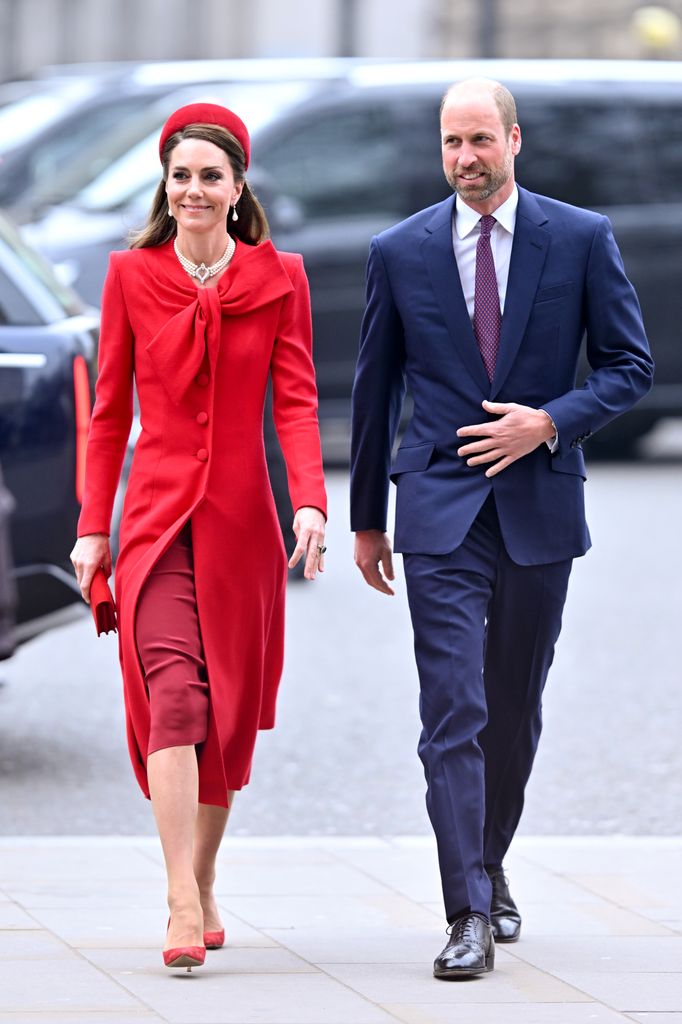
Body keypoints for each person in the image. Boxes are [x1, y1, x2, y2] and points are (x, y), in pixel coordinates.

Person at [350, 78, 653, 980]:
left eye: (480, 140)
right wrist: (368, 518)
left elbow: (630, 366)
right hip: (438, 506)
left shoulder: (581, 238)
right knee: (453, 708)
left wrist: (548, 420)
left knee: (512, 710)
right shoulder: (399, 249)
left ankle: (488, 860)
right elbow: (375, 391)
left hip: (538, 505)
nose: (465, 160)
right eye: (451, 143)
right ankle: (466, 913)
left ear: (513, 140)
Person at [70, 103, 327, 972]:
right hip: (150, 524)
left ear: (238, 185)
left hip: (241, 529)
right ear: (165, 184)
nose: (193, 190)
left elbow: (295, 402)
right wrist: (90, 531)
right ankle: (181, 896)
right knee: (172, 697)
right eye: (180, 175)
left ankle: (205, 875)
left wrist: (310, 504)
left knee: (224, 720)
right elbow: (107, 416)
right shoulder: (130, 276)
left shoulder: (280, 278)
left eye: (210, 175)